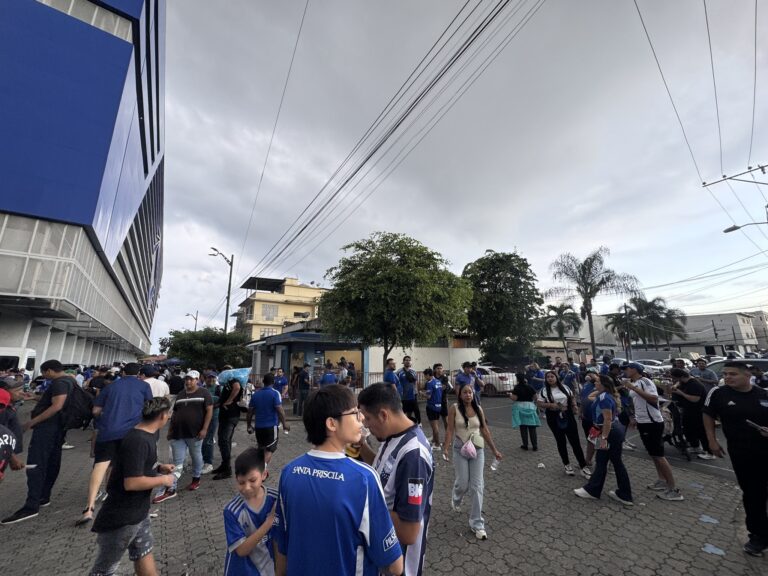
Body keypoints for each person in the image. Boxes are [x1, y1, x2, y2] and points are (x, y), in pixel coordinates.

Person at [274, 385, 404, 576]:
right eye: (354, 413)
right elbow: (394, 565)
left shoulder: (289, 472)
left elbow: (281, 545)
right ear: (332, 424)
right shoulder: (364, 478)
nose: (361, 418)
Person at [89, 397, 176, 576]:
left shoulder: (146, 435)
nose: (169, 417)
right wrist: (163, 480)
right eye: (168, 414)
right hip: (122, 516)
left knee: (143, 553)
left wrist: (159, 468)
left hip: (139, 513)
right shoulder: (138, 440)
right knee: (103, 570)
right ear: (162, 416)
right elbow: (132, 482)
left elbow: (137, 465)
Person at [357, 383, 434, 576]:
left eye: (367, 418)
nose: (365, 425)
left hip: (399, 565)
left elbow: (409, 532)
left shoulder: (413, 456)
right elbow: (384, 471)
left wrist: (362, 505)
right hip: (383, 557)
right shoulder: (391, 435)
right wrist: (362, 446)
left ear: (383, 415)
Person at [703, 362, 768, 557]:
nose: (727, 377)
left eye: (733, 374)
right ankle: (758, 536)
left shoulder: (763, 394)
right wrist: (712, 441)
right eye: (725, 374)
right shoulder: (719, 393)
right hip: (741, 452)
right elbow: (707, 415)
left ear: (747, 375)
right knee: (753, 493)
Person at [77, 363, 153, 526]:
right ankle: (124, 502)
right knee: (130, 465)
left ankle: (89, 508)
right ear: (138, 373)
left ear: (123, 372)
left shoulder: (110, 387)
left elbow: (96, 410)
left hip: (108, 431)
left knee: (101, 466)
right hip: (131, 433)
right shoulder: (144, 386)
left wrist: (106, 417)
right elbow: (149, 408)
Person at [2, 359, 73, 525]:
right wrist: (35, 397)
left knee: (37, 464)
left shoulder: (59, 383)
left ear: (49, 371)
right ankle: (43, 497)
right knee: (52, 462)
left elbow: (57, 405)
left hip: (47, 430)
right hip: (59, 429)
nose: (43, 376)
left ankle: (31, 505)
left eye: (43, 372)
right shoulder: (70, 381)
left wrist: (31, 423)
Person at [443, 383, 503, 540]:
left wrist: (495, 450)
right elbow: (450, 429)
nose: (468, 395)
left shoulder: (479, 409)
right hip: (459, 449)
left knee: (477, 486)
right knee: (462, 483)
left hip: (477, 450)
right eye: (465, 392)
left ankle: (477, 523)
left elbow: (485, 430)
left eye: (470, 392)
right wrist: (446, 448)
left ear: (473, 394)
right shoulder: (454, 408)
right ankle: (456, 498)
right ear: (460, 394)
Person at [622, 362, 683, 501]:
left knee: (659, 455)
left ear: (635, 370)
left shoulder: (645, 382)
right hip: (643, 421)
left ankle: (673, 489)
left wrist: (633, 388)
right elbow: (637, 402)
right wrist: (635, 417)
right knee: (653, 454)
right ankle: (662, 480)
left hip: (652, 422)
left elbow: (654, 398)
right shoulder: (635, 383)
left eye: (627, 369)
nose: (625, 371)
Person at [153, 370, 212, 503]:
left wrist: (204, 429)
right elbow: (175, 413)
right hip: (178, 433)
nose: (188, 381)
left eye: (191, 379)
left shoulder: (204, 393)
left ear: (197, 380)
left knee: (196, 456)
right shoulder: (181, 394)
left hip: (195, 433)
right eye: (187, 379)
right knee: (177, 460)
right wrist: (170, 430)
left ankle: (196, 478)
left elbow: (209, 411)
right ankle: (171, 486)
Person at [574, 375, 633, 506]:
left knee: (605, 461)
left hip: (607, 432)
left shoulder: (604, 398)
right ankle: (621, 493)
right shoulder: (605, 395)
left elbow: (607, 419)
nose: (595, 383)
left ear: (604, 384)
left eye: (598, 382)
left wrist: (604, 438)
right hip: (609, 431)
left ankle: (595, 490)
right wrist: (602, 389)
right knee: (606, 461)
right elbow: (589, 397)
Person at [223, 447, 278, 575]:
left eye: (252, 480)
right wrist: (268, 523)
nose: (247, 487)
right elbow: (241, 550)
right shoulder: (232, 511)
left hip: (269, 568)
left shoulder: (276, 499)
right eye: (241, 482)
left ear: (264, 474)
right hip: (243, 571)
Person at [538, 371, 590, 478]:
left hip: (568, 415)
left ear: (556, 377)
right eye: (548, 377)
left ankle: (583, 466)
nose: (550, 378)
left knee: (575, 442)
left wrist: (574, 406)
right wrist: (550, 405)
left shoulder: (565, 387)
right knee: (561, 441)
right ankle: (567, 465)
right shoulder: (544, 391)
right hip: (553, 417)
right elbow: (539, 403)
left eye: (552, 376)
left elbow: (572, 397)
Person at [668, 368, 714, 460]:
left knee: (701, 432)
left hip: (698, 411)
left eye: (675, 378)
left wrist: (681, 393)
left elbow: (695, 399)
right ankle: (695, 446)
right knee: (688, 429)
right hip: (688, 410)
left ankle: (710, 452)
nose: (674, 380)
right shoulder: (684, 381)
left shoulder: (695, 385)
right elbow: (679, 383)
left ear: (681, 376)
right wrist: (675, 386)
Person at [247, 373, 290, 467]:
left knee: (261, 448)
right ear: (273, 382)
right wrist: (284, 424)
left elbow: (250, 412)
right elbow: (280, 410)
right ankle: (261, 470)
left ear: (263, 382)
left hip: (258, 427)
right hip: (271, 427)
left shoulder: (256, 394)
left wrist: (249, 425)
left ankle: (259, 467)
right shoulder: (275, 393)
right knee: (269, 450)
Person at [213, 376, 243, 480]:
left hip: (230, 416)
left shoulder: (233, 380)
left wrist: (229, 401)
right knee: (224, 441)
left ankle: (227, 469)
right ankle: (224, 465)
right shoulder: (227, 384)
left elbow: (237, 387)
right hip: (226, 416)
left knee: (224, 440)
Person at [508, 373, 540, 451]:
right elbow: (536, 397)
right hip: (530, 407)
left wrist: (509, 395)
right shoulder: (530, 387)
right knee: (532, 428)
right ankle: (535, 446)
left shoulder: (517, 388)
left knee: (523, 427)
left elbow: (514, 398)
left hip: (520, 408)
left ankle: (525, 445)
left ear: (518, 379)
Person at [202, 372, 221, 475]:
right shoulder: (203, 388)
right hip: (202, 416)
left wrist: (210, 404)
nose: (211, 380)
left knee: (208, 439)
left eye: (213, 378)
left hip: (213, 416)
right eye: (209, 378)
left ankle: (208, 463)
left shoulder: (218, 388)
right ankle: (203, 460)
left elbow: (220, 401)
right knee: (202, 439)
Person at [397, 356, 421, 425]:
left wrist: (416, 392)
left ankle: (419, 424)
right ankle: (402, 425)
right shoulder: (399, 372)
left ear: (411, 362)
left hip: (413, 395)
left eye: (409, 360)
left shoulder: (414, 371)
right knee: (402, 412)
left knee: (415, 410)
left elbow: (415, 382)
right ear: (403, 362)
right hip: (403, 396)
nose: (408, 361)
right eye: (406, 360)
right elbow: (397, 383)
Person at [423, 368, 442, 448]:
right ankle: (434, 440)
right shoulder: (438, 381)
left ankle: (437, 444)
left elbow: (428, 396)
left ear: (428, 375)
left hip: (432, 406)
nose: (424, 377)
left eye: (425, 376)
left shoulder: (429, 383)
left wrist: (422, 393)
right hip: (439, 406)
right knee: (436, 425)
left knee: (434, 427)